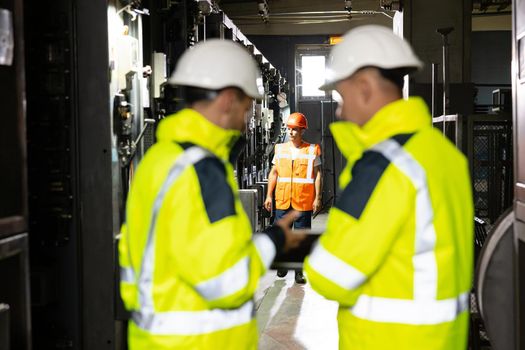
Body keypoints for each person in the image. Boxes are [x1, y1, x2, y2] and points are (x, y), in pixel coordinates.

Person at [118, 39, 305, 349]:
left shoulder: (158, 159)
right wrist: (273, 241)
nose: (247, 118)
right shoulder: (203, 172)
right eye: (248, 107)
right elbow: (225, 280)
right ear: (229, 99)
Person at [301, 25, 473, 349]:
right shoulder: (442, 154)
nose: (340, 111)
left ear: (364, 87)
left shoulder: (383, 164)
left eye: (341, 96)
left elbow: (332, 273)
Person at [264, 112, 322, 284]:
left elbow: (318, 175)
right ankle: (282, 265)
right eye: (289, 129)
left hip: (303, 200)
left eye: (295, 129)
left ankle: (299, 271)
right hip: (282, 198)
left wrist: (317, 198)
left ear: (302, 130)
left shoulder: (312, 150)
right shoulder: (280, 149)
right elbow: (274, 173)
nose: (291, 132)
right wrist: (268, 195)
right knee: (281, 233)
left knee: (301, 237)